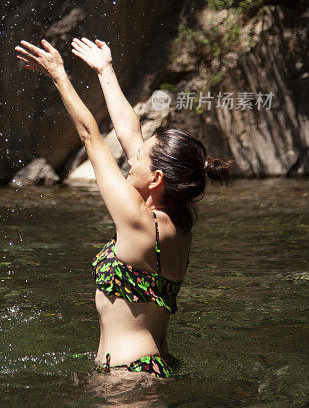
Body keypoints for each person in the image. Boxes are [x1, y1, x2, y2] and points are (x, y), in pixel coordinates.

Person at [15, 36, 232, 378]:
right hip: (149, 367)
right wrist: (105, 70)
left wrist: (58, 74)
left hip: (127, 379)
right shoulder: (178, 220)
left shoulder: (138, 220)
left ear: (158, 178)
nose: (132, 159)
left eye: (140, 158)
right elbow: (130, 131)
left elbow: (90, 136)